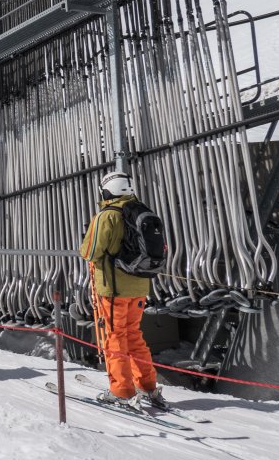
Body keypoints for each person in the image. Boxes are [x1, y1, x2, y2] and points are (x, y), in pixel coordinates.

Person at [79, 170, 165, 408]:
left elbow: (89, 252)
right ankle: (148, 387)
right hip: (139, 285)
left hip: (113, 288)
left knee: (115, 338)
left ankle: (122, 390)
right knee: (134, 335)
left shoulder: (107, 216)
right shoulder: (141, 210)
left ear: (107, 190)